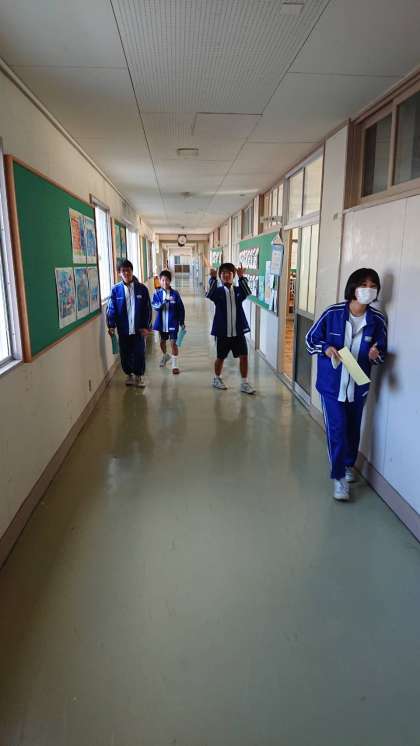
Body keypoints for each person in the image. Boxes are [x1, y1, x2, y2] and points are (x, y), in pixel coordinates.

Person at [306, 268, 387, 501]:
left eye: (373, 286)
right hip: (332, 385)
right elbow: (310, 339)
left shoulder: (378, 320)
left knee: (352, 428)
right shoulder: (332, 313)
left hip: (358, 386)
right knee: (338, 428)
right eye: (364, 285)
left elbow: (382, 353)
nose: (368, 290)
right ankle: (339, 476)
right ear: (353, 287)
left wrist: (375, 355)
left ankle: (349, 464)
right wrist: (325, 348)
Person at [206, 262, 255, 394]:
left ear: (233, 275)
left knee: (244, 356)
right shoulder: (218, 292)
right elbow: (209, 294)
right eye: (223, 273)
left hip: (238, 332)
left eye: (229, 273)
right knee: (220, 357)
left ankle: (244, 383)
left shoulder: (238, 291)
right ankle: (217, 379)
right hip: (223, 332)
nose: (226, 275)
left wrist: (242, 276)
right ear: (220, 276)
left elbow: (247, 291)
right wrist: (212, 278)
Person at [107, 259, 152, 388]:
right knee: (125, 353)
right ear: (119, 273)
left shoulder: (142, 289)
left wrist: (146, 327)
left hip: (139, 329)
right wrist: (111, 325)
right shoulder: (115, 290)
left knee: (139, 353)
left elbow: (147, 310)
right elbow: (111, 309)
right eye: (123, 271)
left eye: (128, 270)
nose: (126, 273)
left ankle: (139, 376)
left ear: (132, 271)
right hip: (123, 329)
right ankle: (129, 375)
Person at [152, 270, 185, 374]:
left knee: (173, 343)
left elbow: (181, 309)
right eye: (162, 280)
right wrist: (163, 302)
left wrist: (182, 322)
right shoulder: (157, 294)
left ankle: (175, 365)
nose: (165, 282)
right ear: (160, 281)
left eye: (167, 280)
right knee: (162, 342)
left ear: (170, 281)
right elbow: (155, 306)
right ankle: (165, 355)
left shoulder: (175, 294)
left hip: (172, 323)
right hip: (162, 324)